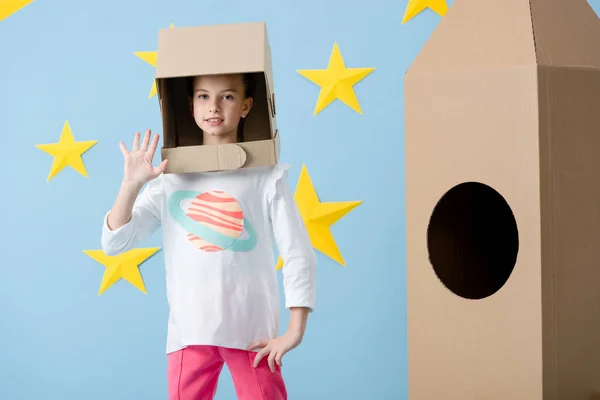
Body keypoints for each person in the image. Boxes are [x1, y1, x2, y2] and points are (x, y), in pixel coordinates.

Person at [101, 72, 316, 400]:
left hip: (252, 334)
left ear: (246, 106)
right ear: (190, 106)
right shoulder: (169, 180)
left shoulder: (266, 177)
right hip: (189, 333)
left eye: (227, 97)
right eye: (203, 96)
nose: (213, 106)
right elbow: (115, 243)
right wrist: (131, 185)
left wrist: (294, 331)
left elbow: (298, 251)